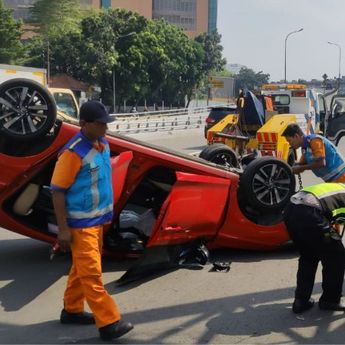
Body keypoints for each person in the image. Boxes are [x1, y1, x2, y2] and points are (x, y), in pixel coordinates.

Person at [51, 100, 133, 341]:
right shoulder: (72, 153)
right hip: (80, 225)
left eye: (106, 124)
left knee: (81, 268)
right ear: (84, 124)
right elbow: (57, 191)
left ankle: (72, 310)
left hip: (96, 221)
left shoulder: (102, 144)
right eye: (100, 125)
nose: (105, 128)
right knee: (92, 274)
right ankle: (109, 322)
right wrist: (63, 230)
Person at [284, 183, 345, 313]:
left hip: (291, 210)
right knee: (337, 257)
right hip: (311, 214)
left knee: (308, 256)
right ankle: (330, 300)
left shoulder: (339, 189)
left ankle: (301, 301)